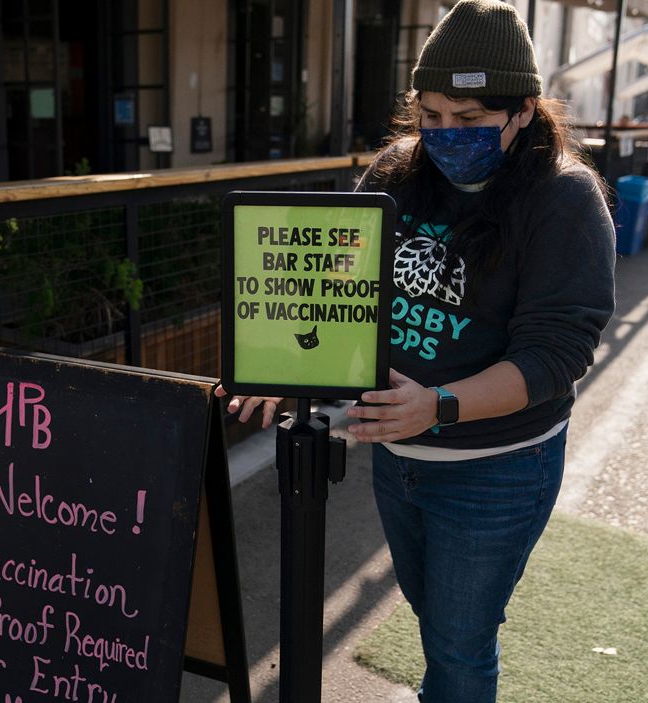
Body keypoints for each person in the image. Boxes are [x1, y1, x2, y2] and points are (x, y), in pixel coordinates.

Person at [215, 1, 616, 700]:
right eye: (431, 115)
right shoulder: (399, 172)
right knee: (436, 618)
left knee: (459, 645)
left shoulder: (565, 198)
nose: (446, 134)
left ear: (523, 111)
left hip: (497, 466)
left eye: (469, 118)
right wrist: (284, 362)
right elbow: (338, 279)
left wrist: (440, 405)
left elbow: (556, 352)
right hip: (398, 457)